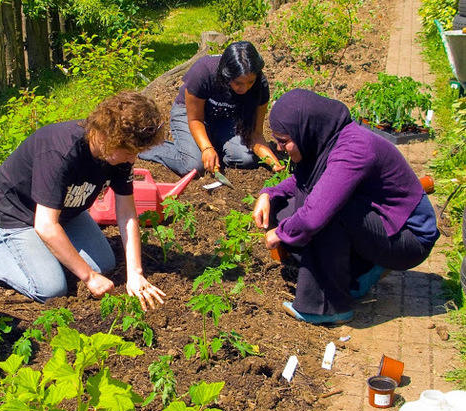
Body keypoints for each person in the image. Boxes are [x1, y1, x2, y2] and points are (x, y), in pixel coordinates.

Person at [0, 91, 166, 311]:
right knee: (50, 289)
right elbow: (46, 225)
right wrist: (88, 277)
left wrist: (135, 273)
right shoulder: (61, 152)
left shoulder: (119, 155)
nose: (133, 159)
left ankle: (42, 252)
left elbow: (126, 213)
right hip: (19, 211)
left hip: (65, 210)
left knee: (104, 264)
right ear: (108, 137)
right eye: (129, 152)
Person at [252, 89, 439, 324]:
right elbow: (303, 181)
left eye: (284, 141)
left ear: (306, 127)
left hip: (410, 237)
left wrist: (280, 233)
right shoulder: (329, 138)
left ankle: (329, 306)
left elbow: (313, 217)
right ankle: (359, 272)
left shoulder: (352, 150)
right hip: (382, 222)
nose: (279, 148)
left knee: (324, 213)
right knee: (283, 209)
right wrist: (269, 194)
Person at [138, 41, 284, 177]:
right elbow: (195, 119)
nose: (244, 88)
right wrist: (207, 148)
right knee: (194, 166)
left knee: (245, 158)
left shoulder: (259, 86)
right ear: (227, 75)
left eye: (250, 82)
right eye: (238, 83)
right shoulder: (203, 72)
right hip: (190, 114)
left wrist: (272, 161)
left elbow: (256, 133)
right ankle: (146, 146)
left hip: (224, 117)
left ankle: (209, 144)